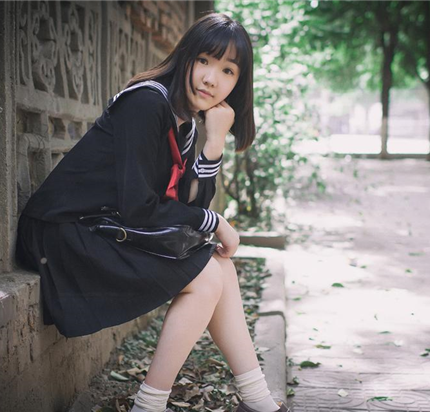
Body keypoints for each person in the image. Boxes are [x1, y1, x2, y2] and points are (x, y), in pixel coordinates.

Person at [15, 12, 288, 412]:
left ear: (238, 83)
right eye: (204, 61)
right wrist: (216, 222)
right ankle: (149, 405)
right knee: (206, 277)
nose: (211, 78)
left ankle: (257, 400)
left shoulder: (185, 122)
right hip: (60, 235)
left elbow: (187, 208)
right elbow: (141, 207)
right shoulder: (146, 103)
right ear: (186, 56)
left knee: (220, 267)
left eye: (227, 71)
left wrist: (214, 143)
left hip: (102, 228)